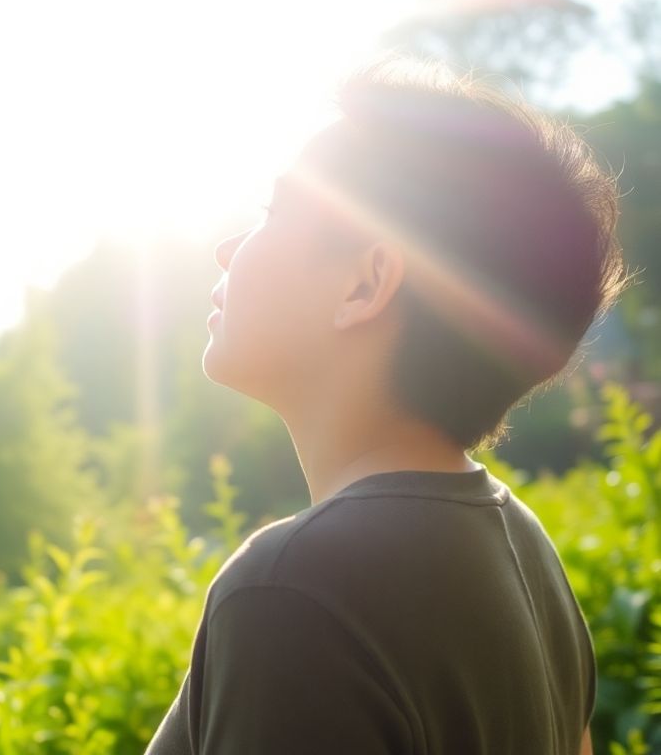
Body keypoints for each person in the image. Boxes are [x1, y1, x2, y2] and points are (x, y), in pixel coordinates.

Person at [144, 57, 631, 755]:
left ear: (365, 285)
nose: (227, 249)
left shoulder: (293, 591)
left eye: (273, 212)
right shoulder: (526, 548)